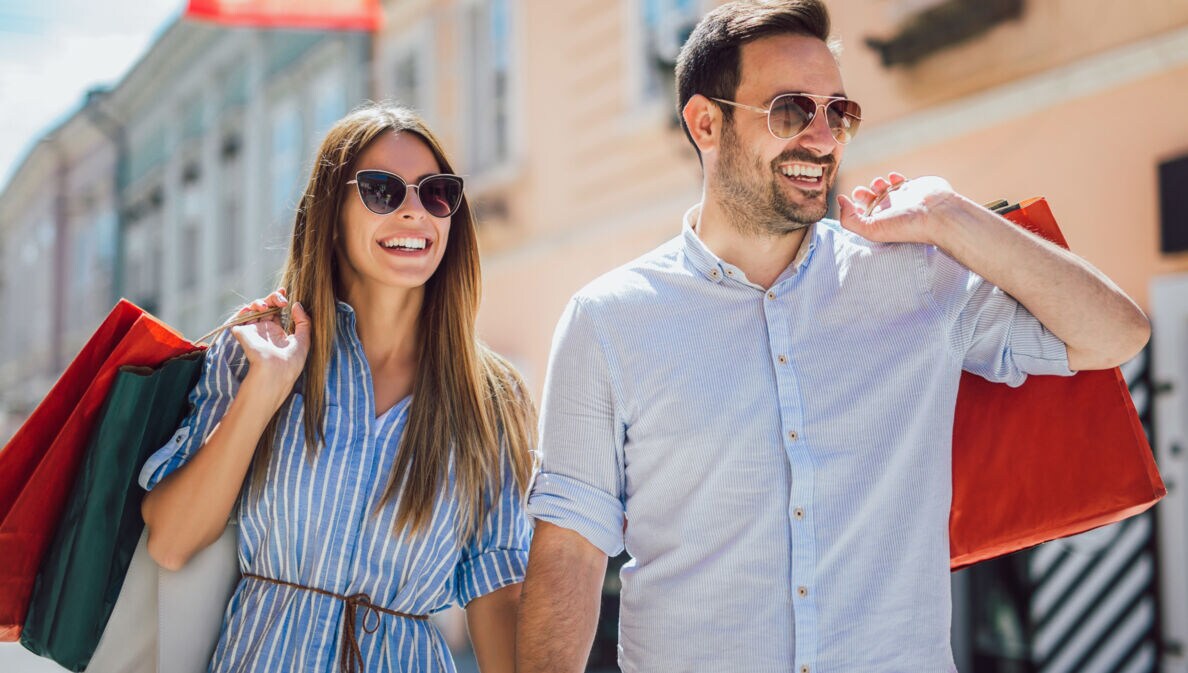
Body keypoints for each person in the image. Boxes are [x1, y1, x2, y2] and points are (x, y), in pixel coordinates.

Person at [515, 2, 1150, 672]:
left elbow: (1115, 334)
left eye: (839, 113)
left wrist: (950, 216)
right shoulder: (607, 320)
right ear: (706, 122)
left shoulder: (917, 280)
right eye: (791, 110)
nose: (822, 138)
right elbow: (569, 554)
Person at [138, 102, 535, 673]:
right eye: (382, 191)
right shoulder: (258, 349)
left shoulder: (492, 399)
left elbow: (500, 596)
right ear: (331, 211)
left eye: (436, 193)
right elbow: (171, 542)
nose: (413, 212)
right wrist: (262, 392)